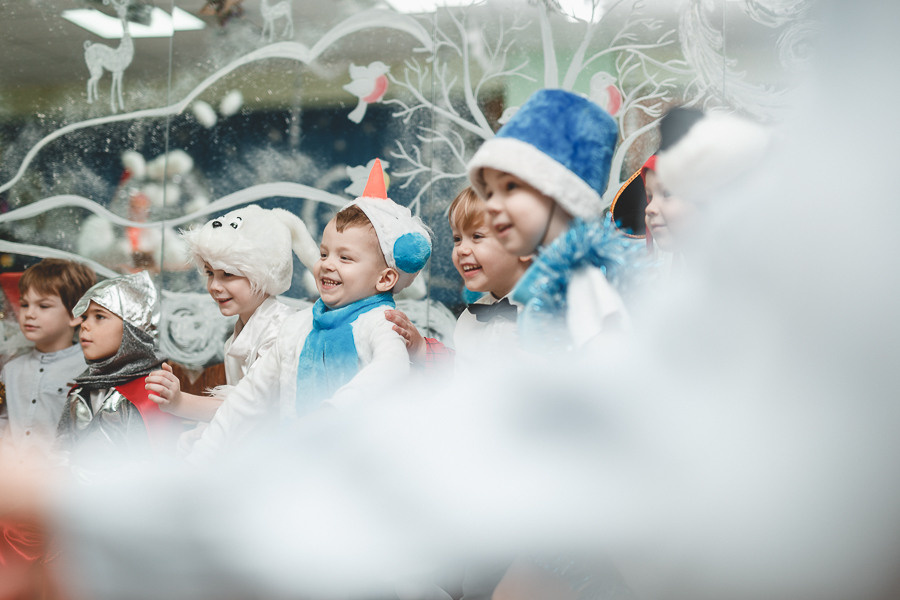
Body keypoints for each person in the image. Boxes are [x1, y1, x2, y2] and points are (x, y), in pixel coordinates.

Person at [187, 159, 431, 464]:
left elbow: (391, 368)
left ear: (384, 279)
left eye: (345, 258)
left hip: (362, 467)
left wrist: (328, 416)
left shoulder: (380, 324)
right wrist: (200, 458)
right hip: (301, 468)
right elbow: (246, 400)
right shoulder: (296, 328)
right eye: (324, 253)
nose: (327, 264)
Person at [466, 88, 637, 350]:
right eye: (488, 193)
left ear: (563, 193)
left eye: (510, 186)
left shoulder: (582, 287)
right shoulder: (547, 284)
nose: (490, 205)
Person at [144, 204, 319, 432]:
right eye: (210, 273)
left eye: (227, 274)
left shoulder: (280, 333)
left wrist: (179, 401)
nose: (214, 286)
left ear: (262, 275)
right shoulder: (240, 334)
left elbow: (249, 408)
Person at [56, 271, 182, 462]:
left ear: (133, 330)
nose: (85, 325)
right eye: (84, 317)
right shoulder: (81, 390)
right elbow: (61, 453)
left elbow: (158, 467)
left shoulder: (151, 394)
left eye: (99, 317)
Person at [0, 259, 96, 453]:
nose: (29, 314)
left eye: (43, 306)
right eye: (24, 304)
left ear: (75, 315)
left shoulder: (89, 370)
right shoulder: (11, 369)